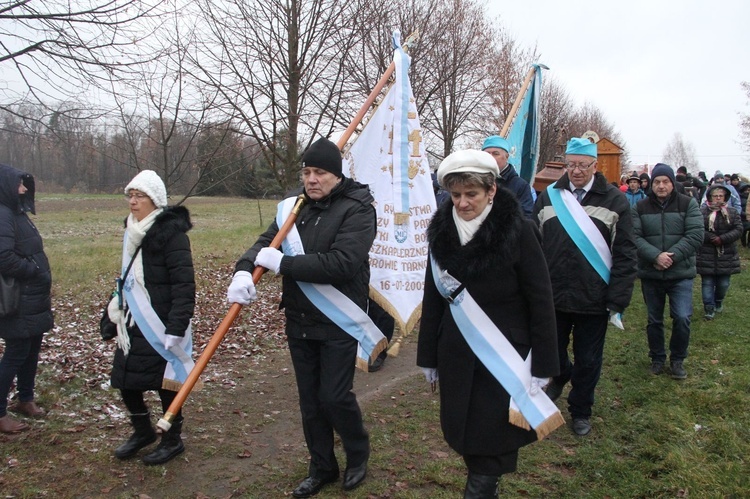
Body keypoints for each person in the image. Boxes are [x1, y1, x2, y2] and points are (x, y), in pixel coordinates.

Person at [227, 137, 379, 498]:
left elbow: (344, 263)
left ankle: (358, 454)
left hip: (339, 318)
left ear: (336, 175)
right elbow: (265, 241)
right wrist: (243, 270)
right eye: (307, 172)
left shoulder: (359, 208)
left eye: (320, 172)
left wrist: (286, 264)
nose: (311, 179)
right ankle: (322, 466)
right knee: (310, 400)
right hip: (300, 318)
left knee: (334, 397)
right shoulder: (294, 208)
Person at [418, 149, 559, 498]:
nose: (462, 203)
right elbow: (433, 296)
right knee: (468, 438)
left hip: (505, 356)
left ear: (491, 191)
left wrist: (544, 362)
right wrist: (428, 356)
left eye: (472, 194)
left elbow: (540, 299)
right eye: (455, 195)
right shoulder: (441, 231)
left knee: (490, 447)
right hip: (457, 353)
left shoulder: (519, 231)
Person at [533, 137, 637, 437]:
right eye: (571, 165)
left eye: (582, 165)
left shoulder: (615, 200)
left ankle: (580, 409)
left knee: (589, 360)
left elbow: (626, 252)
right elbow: (534, 245)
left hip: (594, 297)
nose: (576, 171)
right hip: (553, 294)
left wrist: (618, 298)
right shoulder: (549, 196)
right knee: (552, 352)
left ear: (595, 165)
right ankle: (561, 375)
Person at [107, 170, 196, 465]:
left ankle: (172, 440)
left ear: (154, 200)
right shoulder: (130, 229)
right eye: (130, 195)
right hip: (133, 320)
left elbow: (184, 284)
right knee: (125, 378)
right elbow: (126, 275)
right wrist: (113, 308)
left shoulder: (172, 235)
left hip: (161, 322)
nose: (133, 201)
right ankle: (142, 431)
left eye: (139, 196)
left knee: (165, 383)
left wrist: (177, 325)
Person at [632, 163, 703, 380]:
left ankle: (678, 359)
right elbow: (634, 237)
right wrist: (655, 256)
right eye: (657, 182)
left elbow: (695, 235)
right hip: (651, 273)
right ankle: (657, 357)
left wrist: (669, 257)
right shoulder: (640, 207)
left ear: (673, 183)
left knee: (682, 317)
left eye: (665, 182)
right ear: (651, 184)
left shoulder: (688, 204)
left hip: (680, 273)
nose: (661, 186)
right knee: (654, 320)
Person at [0, 164, 53, 433]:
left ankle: (25, 399)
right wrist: (33, 270)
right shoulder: (3, 214)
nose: (23, 188)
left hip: (33, 298)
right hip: (20, 299)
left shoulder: (17, 213)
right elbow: (4, 257)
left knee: (31, 349)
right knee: (16, 353)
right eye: (19, 184)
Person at [696, 184, 743, 320]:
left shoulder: (732, 212)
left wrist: (722, 239)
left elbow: (738, 229)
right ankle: (709, 308)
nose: (717, 198)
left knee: (723, 284)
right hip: (706, 253)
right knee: (707, 283)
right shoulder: (702, 212)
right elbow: (697, 228)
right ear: (710, 197)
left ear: (725, 197)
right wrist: (711, 238)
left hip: (726, 254)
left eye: (720, 196)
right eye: (715, 196)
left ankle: (718, 301)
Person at [481, 135, 535, 218]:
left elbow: (526, 217)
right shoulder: (475, 180)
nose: (490, 157)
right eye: (487, 153)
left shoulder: (520, 185)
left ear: (506, 157)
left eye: (496, 154)